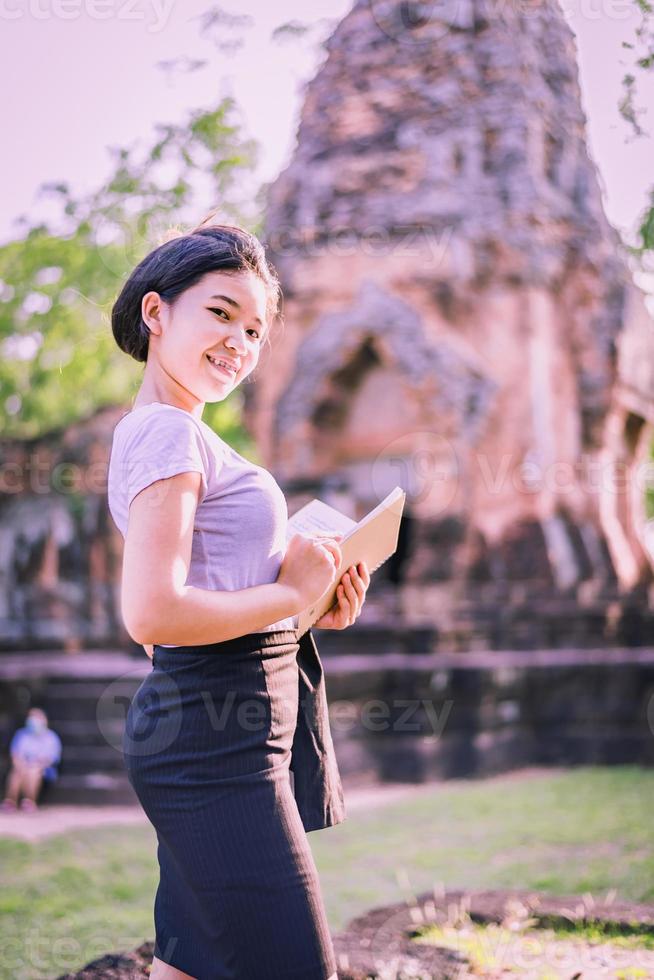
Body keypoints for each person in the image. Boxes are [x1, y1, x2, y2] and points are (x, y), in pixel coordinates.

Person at [106, 217, 370, 980]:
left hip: (214, 731)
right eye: (220, 313)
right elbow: (153, 616)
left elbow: (196, 615)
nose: (240, 344)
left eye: (256, 330)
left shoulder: (177, 435)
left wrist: (312, 606)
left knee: (189, 963)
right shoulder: (168, 435)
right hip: (213, 747)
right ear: (156, 313)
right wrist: (289, 592)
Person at [1, 708, 62, 812]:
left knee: (33, 772)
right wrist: (21, 765)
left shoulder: (51, 737)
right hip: (23, 766)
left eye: (36, 717)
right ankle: (10, 802)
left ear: (44, 720)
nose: (33, 720)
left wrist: (36, 764)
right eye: (31, 717)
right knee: (17, 773)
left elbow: (51, 759)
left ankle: (29, 802)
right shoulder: (21, 734)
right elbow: (15, 755)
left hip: (43, 769)